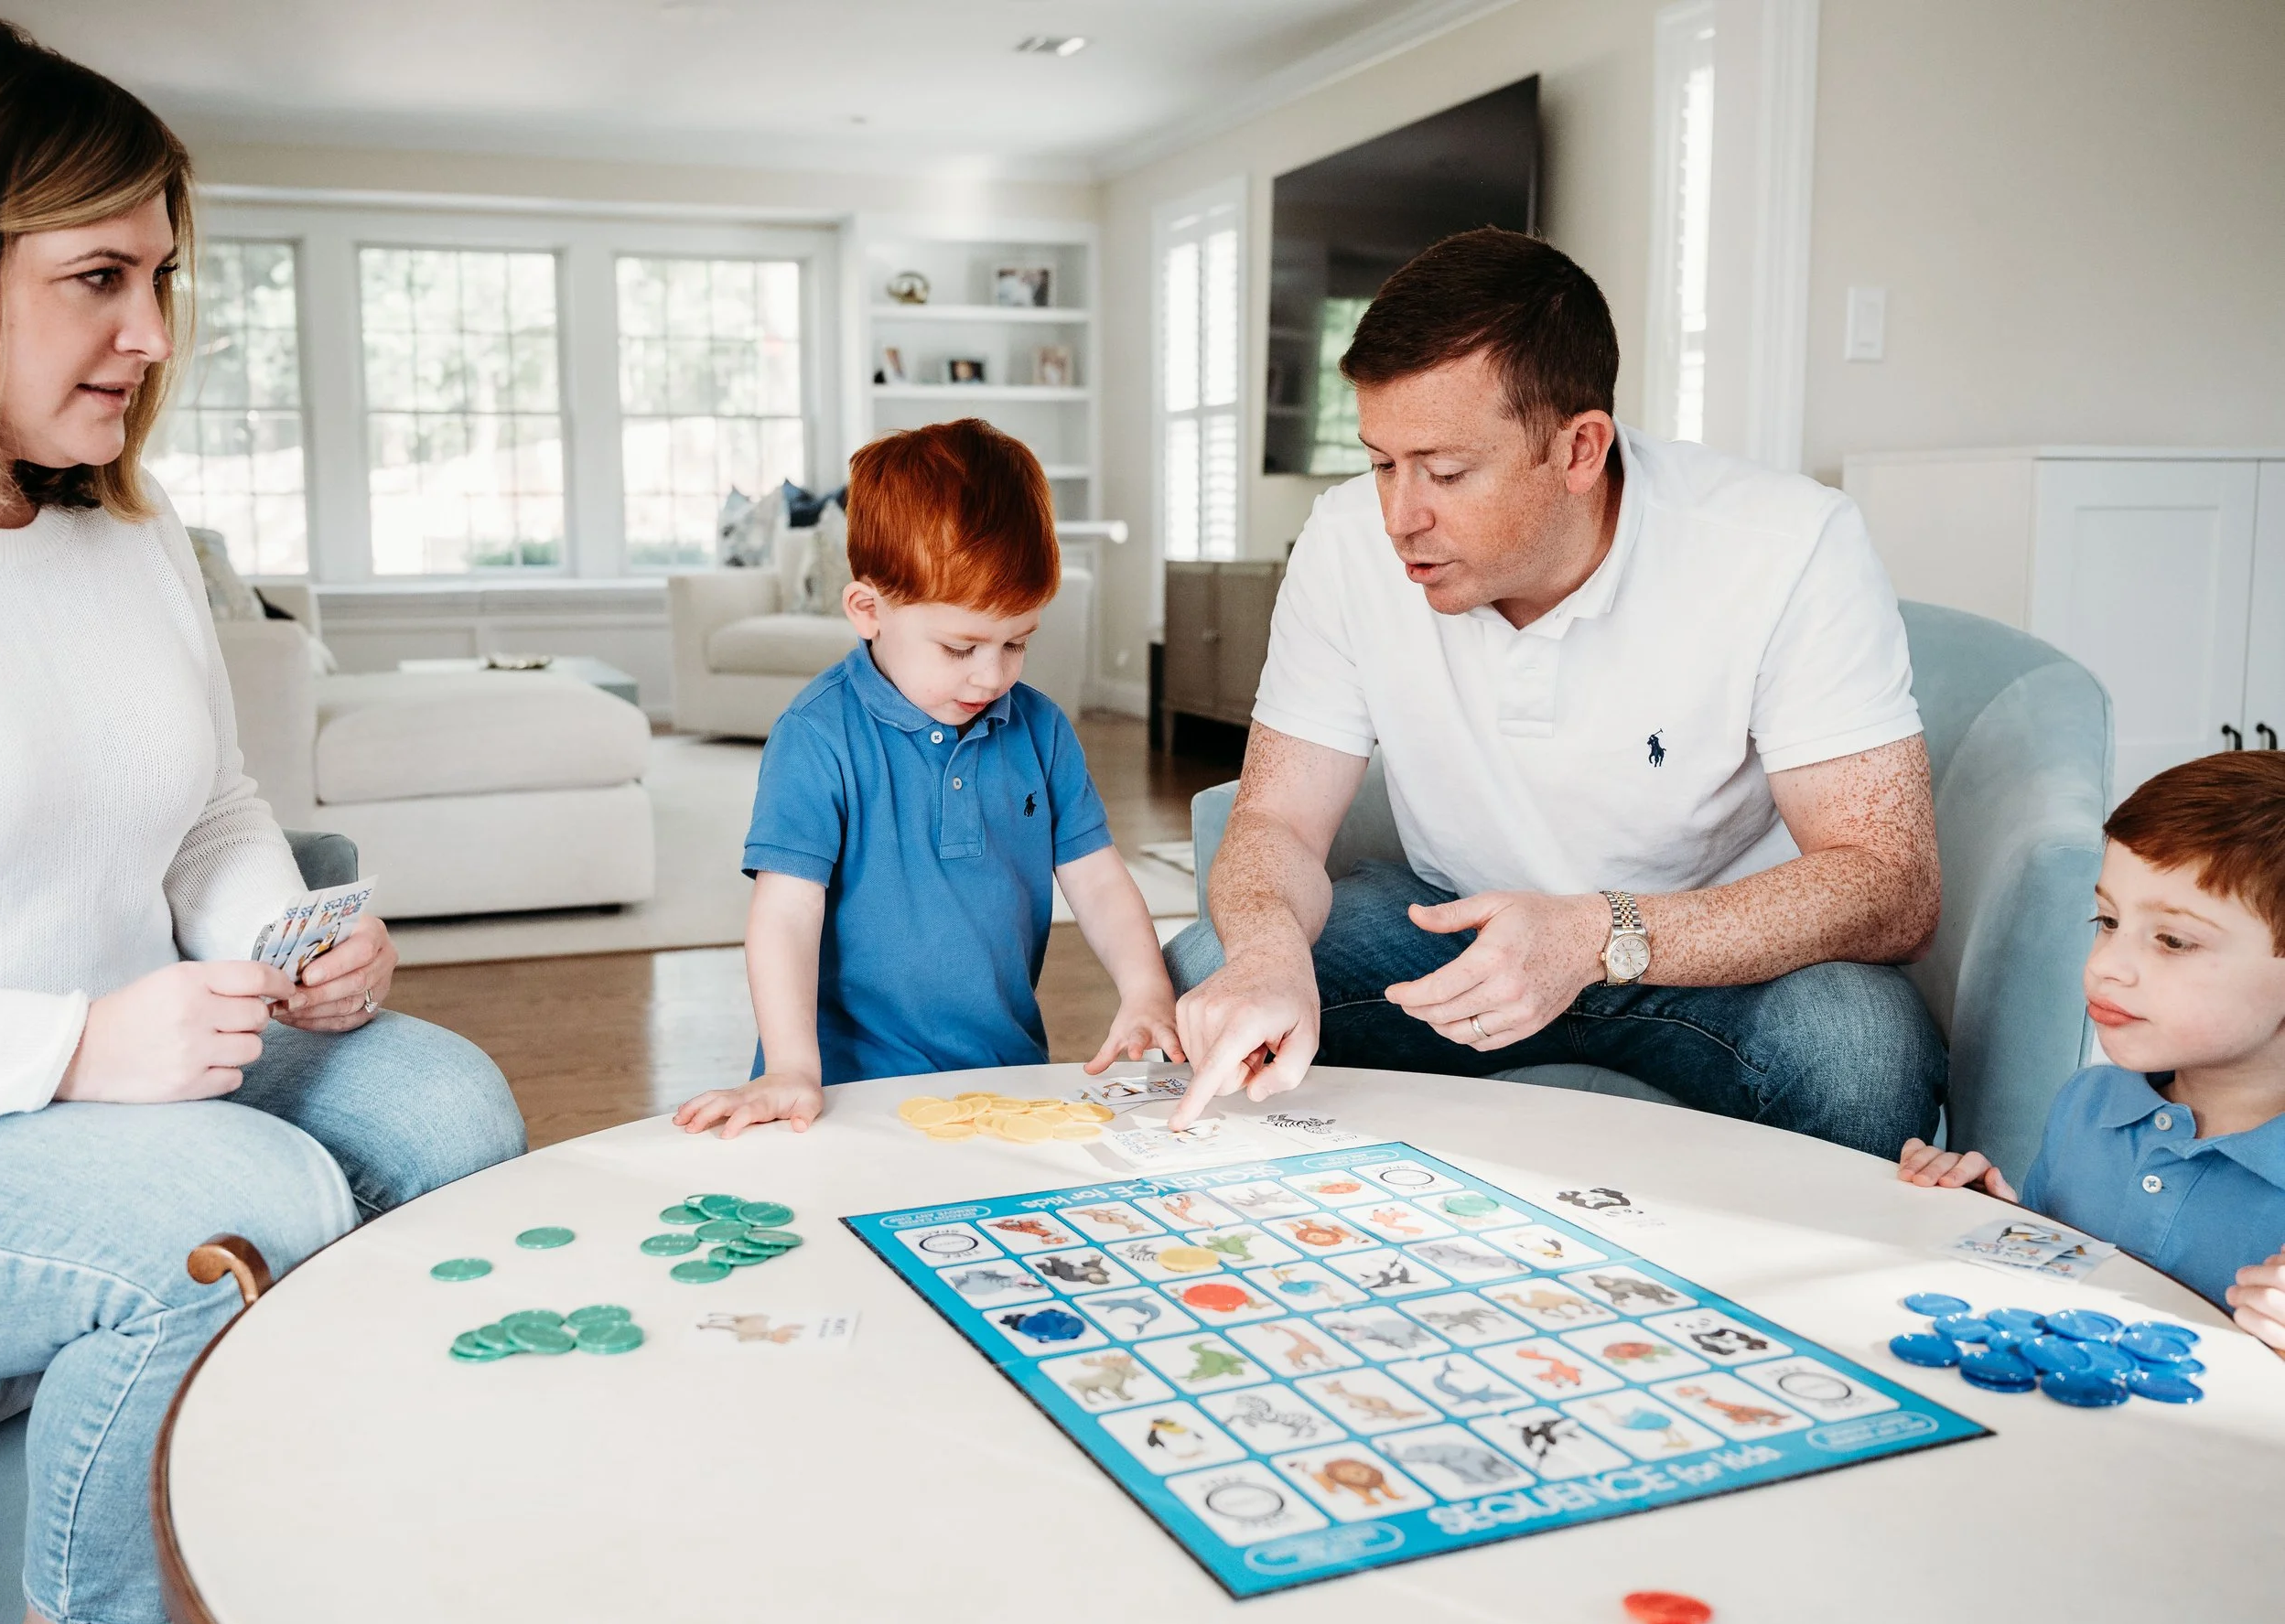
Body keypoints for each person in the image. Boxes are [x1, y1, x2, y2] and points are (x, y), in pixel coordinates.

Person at [0, 27, 527, 1624]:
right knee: (244, 1206)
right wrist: (74, 1048)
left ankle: (327, 1500)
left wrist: (277, 940)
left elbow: (216, 807)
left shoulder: (131, 538)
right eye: (100, 275)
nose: (152, 333)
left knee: (449, 1104)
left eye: (162, 278)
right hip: (54, 1077)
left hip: (134, 1054)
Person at [1168, 228, 1945, 1156]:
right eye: (1380, 462)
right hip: (1449, 940)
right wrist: (1265, 957)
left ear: (1579, 450)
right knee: (1216, 972)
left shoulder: (1786, 543)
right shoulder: (1344, 546)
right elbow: (1278, 823)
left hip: (1711, 961)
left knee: (1865, 1049)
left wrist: (1593, 935)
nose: (1397, 516)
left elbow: (1891, 882)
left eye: (1446, 472)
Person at [674, 419, 1178, 1137]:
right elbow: (785, 914)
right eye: (960, 646)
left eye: (1016, 643)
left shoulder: (1040, 729)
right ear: (869, 612)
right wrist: (789, 1066)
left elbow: (1097, 881)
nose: (991, 674)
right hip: (845, 1094)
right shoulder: (818, 736)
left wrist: (1146, 990)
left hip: (1002, 1079)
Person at [1899, 752, 2285, 1354]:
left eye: (2173, 940)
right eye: (2106, 919)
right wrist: (1997, 1227)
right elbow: (2061, 1299)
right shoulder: (2087, 1106)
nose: (2105, 966)